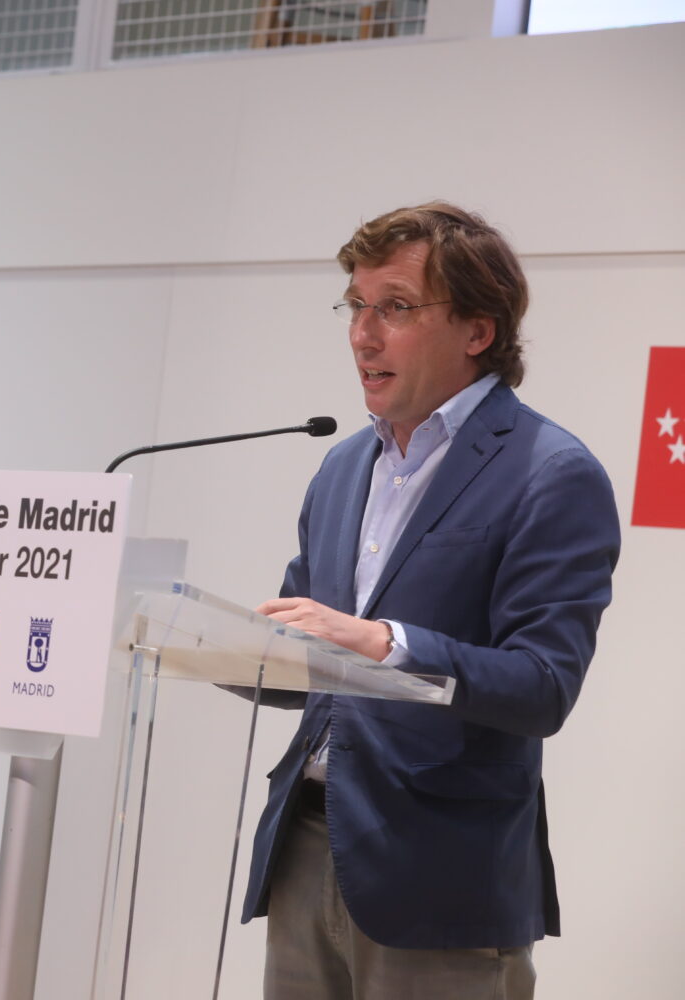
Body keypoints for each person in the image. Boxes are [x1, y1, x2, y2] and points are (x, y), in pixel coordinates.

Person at [239, 203, 621, 999]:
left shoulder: (551, 473)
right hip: (305, 847)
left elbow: (542, 685)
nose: (362, 334)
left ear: (478, 330)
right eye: (356, 305)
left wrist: (387, 642)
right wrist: (213, 648)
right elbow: (307, 653)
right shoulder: (343, 467)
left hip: (441, 870)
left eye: (396, 307)